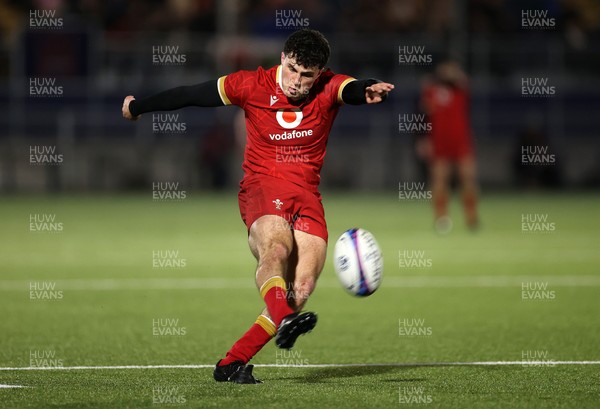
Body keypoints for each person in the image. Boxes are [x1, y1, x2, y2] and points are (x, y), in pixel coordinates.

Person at [122, 29, 393, 384]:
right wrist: (137, 107)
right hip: (262, 187)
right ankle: (283, 319)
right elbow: (191, 94)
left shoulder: (329, 86)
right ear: (283, 58)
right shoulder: (250, 84)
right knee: (276, 248)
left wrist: (367, 87)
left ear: (319, 73)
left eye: (307, 75)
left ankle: (232, 363)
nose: (297, 81)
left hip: (307, 196)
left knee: (302, 287)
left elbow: (351, 88)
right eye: (293, 69)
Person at [420, 60, 479, 233]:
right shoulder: (431, 91)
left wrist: (454, 74)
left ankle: (472, 217)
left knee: (468, 179)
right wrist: (423, 138)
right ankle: (441, 219)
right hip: (439, 142)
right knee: (439, 181)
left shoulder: (461, 89)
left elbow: (464, 81)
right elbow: (423, 114)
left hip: (461, 141)